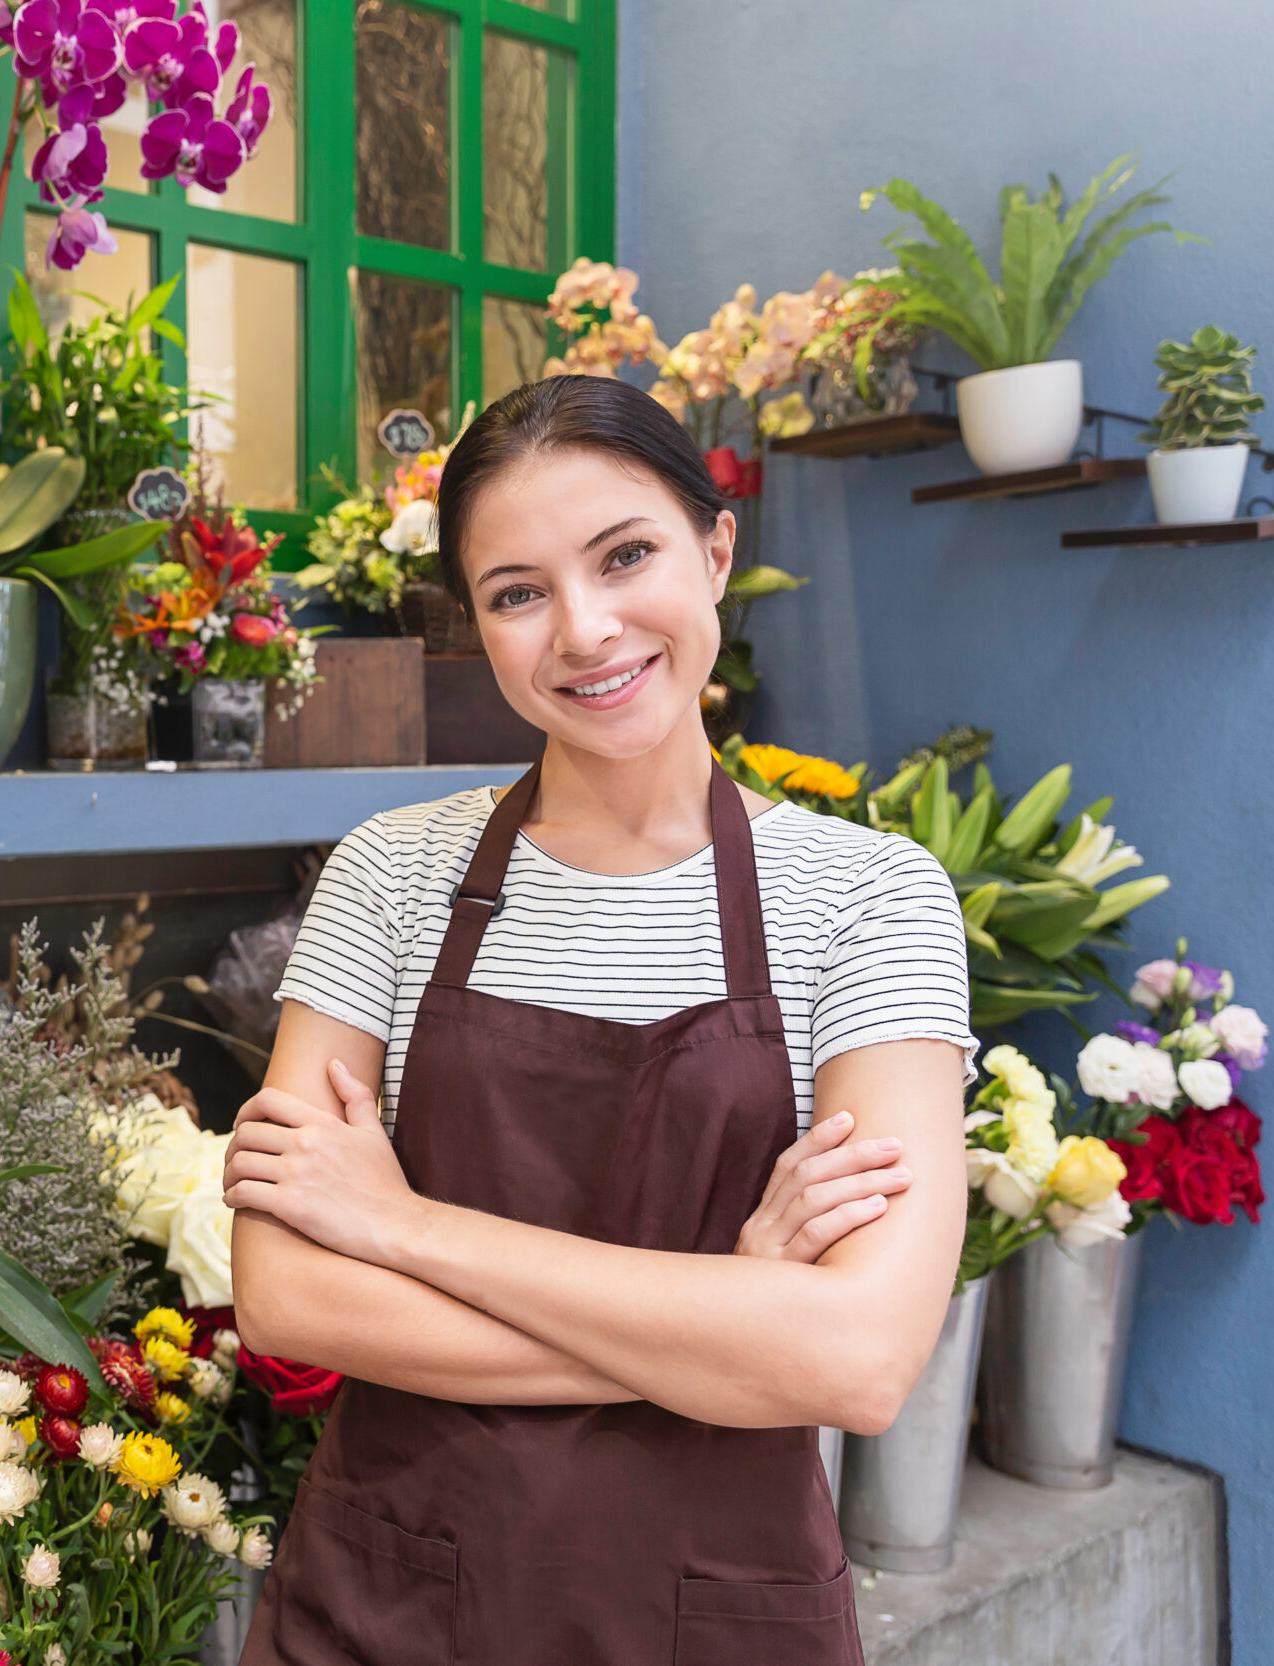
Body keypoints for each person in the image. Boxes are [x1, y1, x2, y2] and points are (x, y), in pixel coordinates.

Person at [225, 375, 975, 1666]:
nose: (584, 628)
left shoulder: (868, 898)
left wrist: (403, 1227)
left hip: (713, 1610)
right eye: (518, 591)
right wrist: (732, 1321)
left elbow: (855, 1359)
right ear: (477, 623)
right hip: (389, 1597)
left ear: (716, 549)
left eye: (626, 555)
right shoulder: (389, 875)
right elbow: (293, 1296)